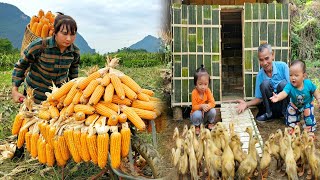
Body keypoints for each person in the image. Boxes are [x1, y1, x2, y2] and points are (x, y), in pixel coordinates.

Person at [12, 12, 80, 104]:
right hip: (33, 97)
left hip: (56, 100)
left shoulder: (74, 52)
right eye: (64, 33)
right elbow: (21, 66)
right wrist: (15, 90)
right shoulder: (40, 46)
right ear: (55, 31)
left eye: (72, 34)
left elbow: (73, 76)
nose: (69, 38)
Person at [236, 43, 290, 122]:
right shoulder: (260, 75)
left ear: (272, 55)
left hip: (284, 103)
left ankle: (286, 114)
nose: (264, 63)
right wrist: (246, 104)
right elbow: (259, 98)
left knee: (284, 84)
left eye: (267, 58)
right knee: (265, 84)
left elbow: (292, 87)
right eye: (261, 60)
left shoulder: (283, 66)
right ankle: (269, 114)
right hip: (272, 105)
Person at [270, 60, 320, 135]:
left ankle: (309, 128)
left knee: (308, 113)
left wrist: (318, 98)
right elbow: (284, 93)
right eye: (290, 75)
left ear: (303, 76)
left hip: (307, 104)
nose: (293, 78)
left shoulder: (308, 84)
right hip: (295, 105)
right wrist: (278, 97)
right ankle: (293, 126)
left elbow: (315, 91)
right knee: (290, 110)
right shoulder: (289, 86)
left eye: (296, 75)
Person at [190, 65, 216, 135]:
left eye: (205, 84)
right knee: (197, 114)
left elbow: (213, 103)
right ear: (196, 84)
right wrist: (201, 106)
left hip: (204, 116)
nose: (203, 87)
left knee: (213, 110)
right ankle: (197, 126)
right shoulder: (194, 93)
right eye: (200, 84)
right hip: (196, 116)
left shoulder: (208, 91)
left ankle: (209, 123)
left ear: (208, 84)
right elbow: (194, 107)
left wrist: (207, 106)